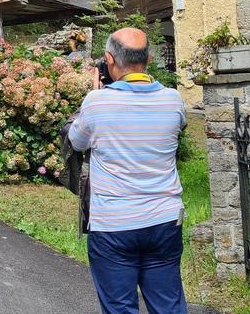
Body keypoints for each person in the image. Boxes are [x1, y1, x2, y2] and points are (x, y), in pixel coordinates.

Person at [68, 28, 187, 314]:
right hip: (164, 220)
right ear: (149, 57)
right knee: (169, 306)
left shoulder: (97, 103)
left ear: (109, 59)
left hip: (113, 225)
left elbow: (76, 141)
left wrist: (96, 94)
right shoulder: (173, 100)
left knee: (120, 308)